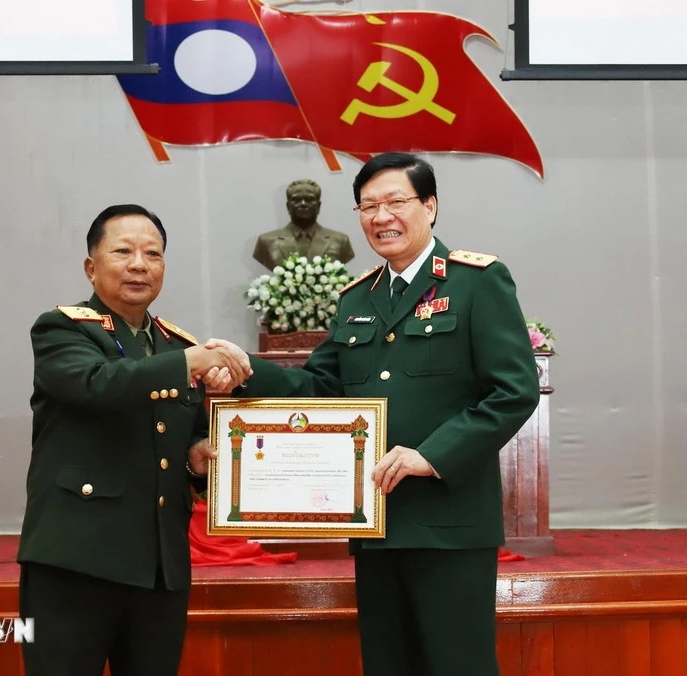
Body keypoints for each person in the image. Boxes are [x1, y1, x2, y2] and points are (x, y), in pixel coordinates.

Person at [219, 153, 540, 675]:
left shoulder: (476, 282)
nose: (381, 216)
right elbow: (321, 385)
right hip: (376, 521)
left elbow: (513, 390)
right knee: (388, 665)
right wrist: (242, 369)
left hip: (448, 521)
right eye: (368, 206)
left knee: (458, 665)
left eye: (396, 202)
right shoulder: (356, 298)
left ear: (429, 207)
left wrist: (430, 456)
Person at [17, 204, 251, 676]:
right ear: (91, 266)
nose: (140, 264)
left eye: (153, 254)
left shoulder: (175, 345)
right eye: (123, 251)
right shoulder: (62, 329)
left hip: (159, 568)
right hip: (75, 561)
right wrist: (191, 364)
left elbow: (181, 441)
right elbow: (97, 385)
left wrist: (197, 461)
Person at [252, 178, 356, 270]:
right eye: (296, 200)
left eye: (309, 199)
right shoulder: (266, 241)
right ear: (288, 206)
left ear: (318, 206)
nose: (303, 204)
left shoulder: (340, 241)